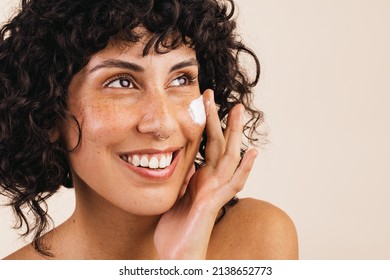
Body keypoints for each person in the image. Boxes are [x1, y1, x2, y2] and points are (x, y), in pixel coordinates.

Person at [0, 0, 298, 259]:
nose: (163, 123)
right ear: (48, 114)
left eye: (181, 79)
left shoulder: (257, 239)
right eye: (121, 82)